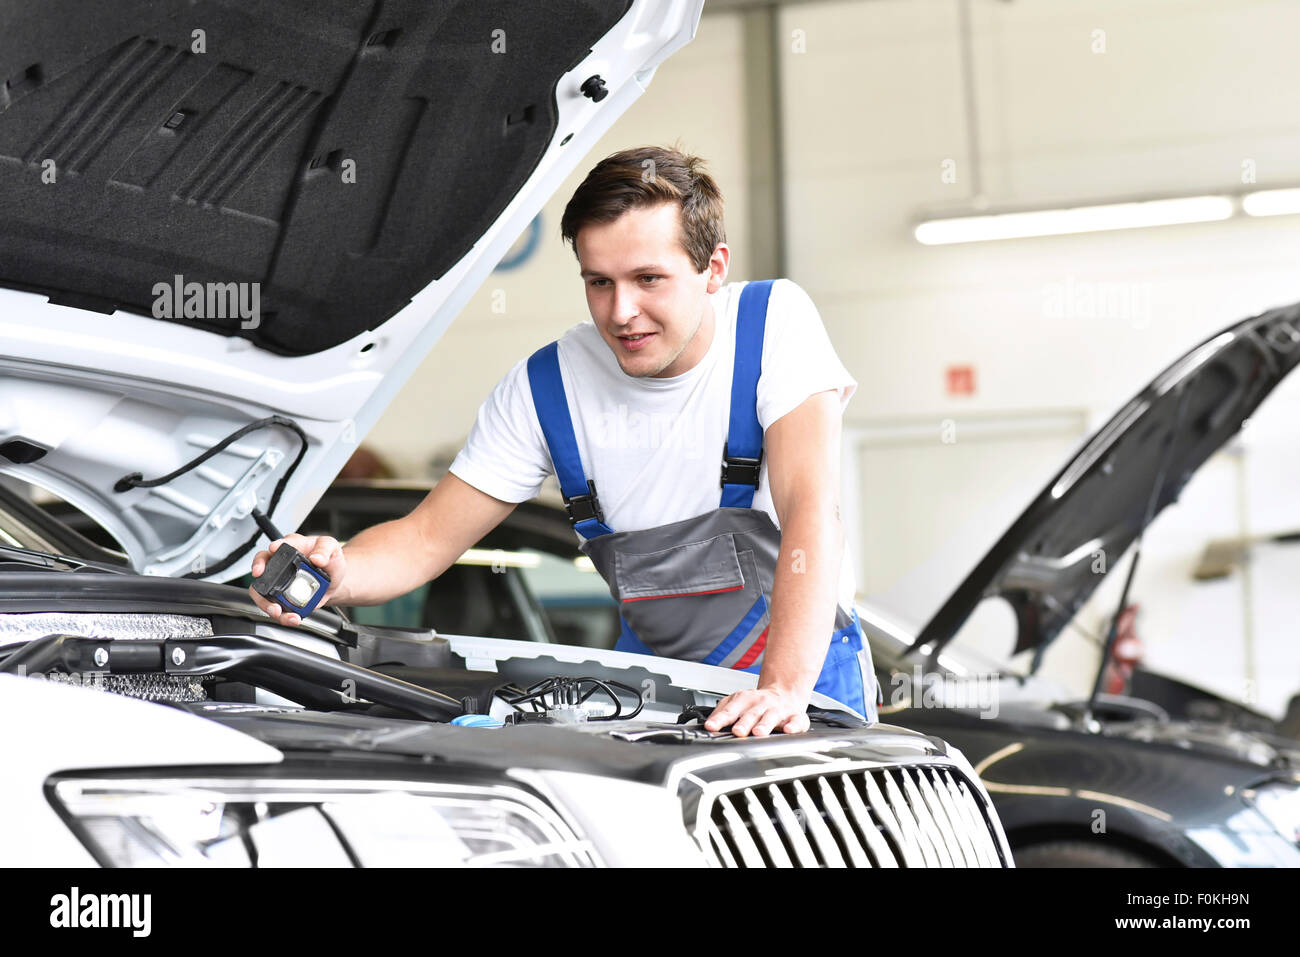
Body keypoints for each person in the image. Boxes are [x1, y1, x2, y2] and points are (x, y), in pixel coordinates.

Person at [249, 145, 880, 734]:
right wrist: (336, 571)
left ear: (713, 268)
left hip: (804, 667)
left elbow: (809, 512)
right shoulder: (546, 388)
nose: (621, 312)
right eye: (599, 281)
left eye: (648, 279)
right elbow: (421, 541)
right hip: (663, 675)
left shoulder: (774, 324)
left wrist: (784, 689)